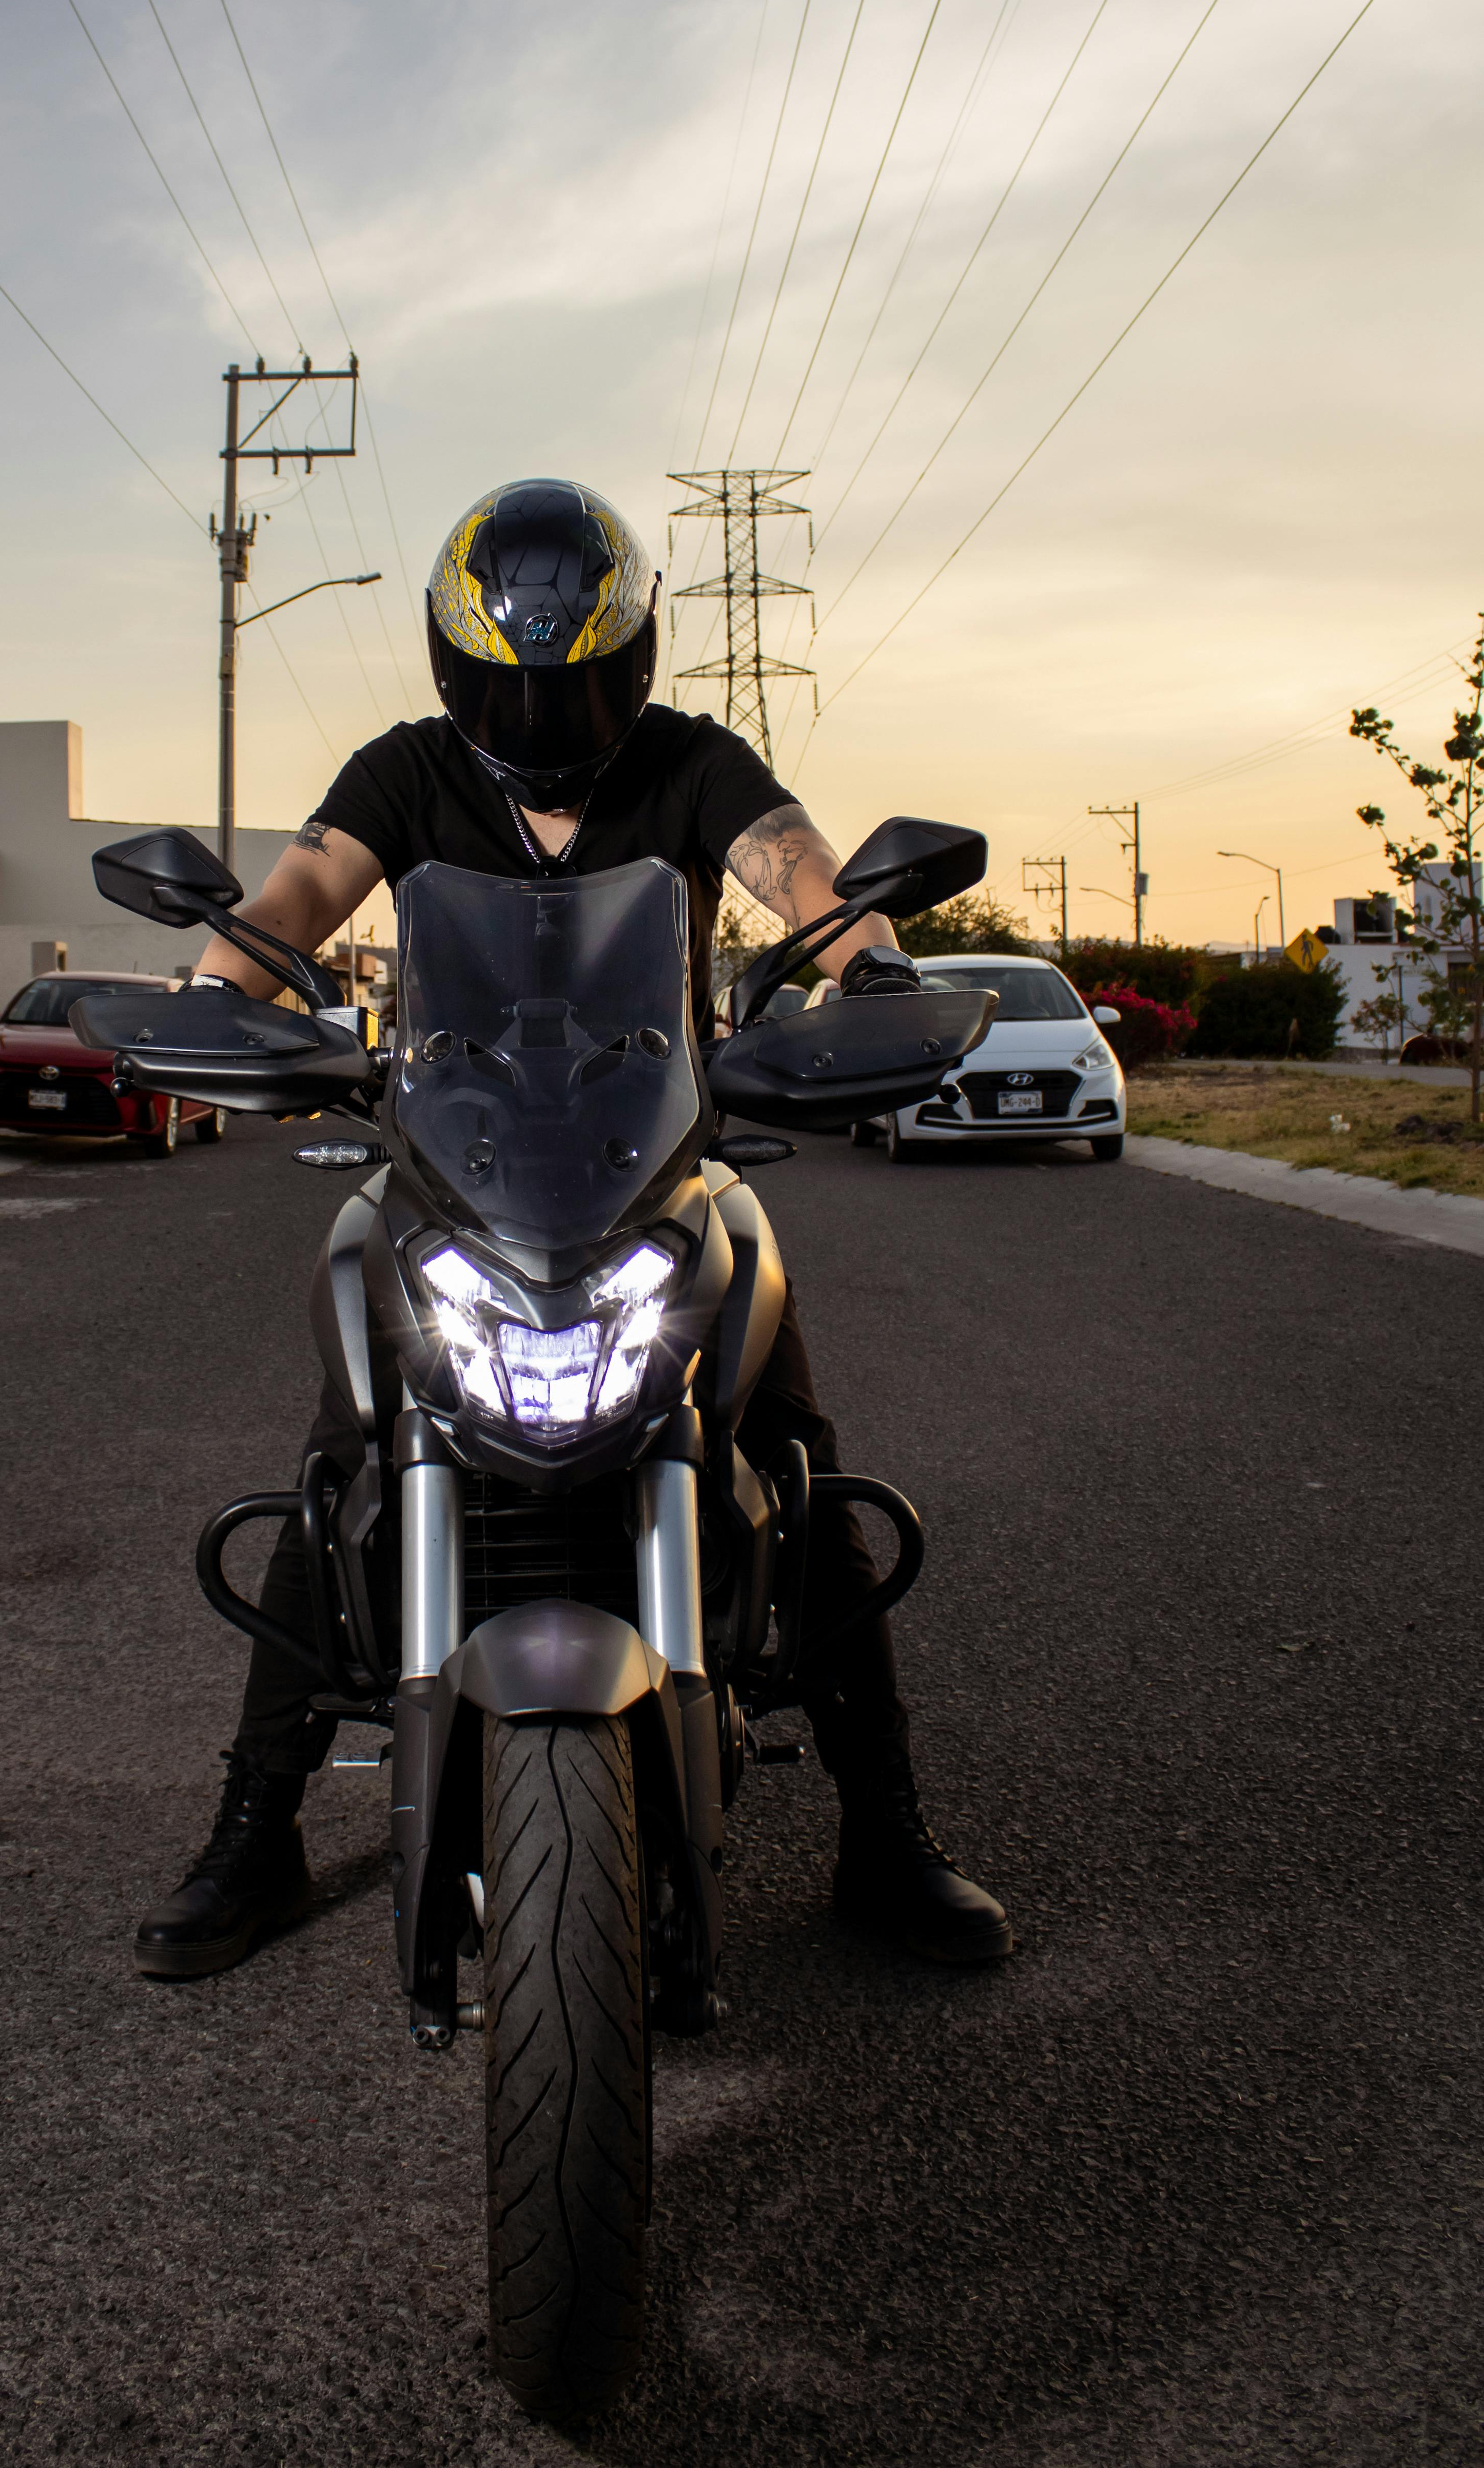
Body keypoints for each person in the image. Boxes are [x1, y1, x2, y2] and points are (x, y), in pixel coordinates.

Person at [135, 478, 1010, 1982]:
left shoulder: (689, 760)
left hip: (655, 1155)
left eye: (577, 676)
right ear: (455, 665)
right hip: (455, 1162)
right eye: (510, 679)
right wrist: (217, 1001)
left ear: (635, 656)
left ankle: (891, 1836)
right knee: (346, 1458)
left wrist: (873, 968)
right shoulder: (408, 773)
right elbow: (297, 894)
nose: (543, 709)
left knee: (789, 1453)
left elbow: (794, 873)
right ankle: (255, 1833)